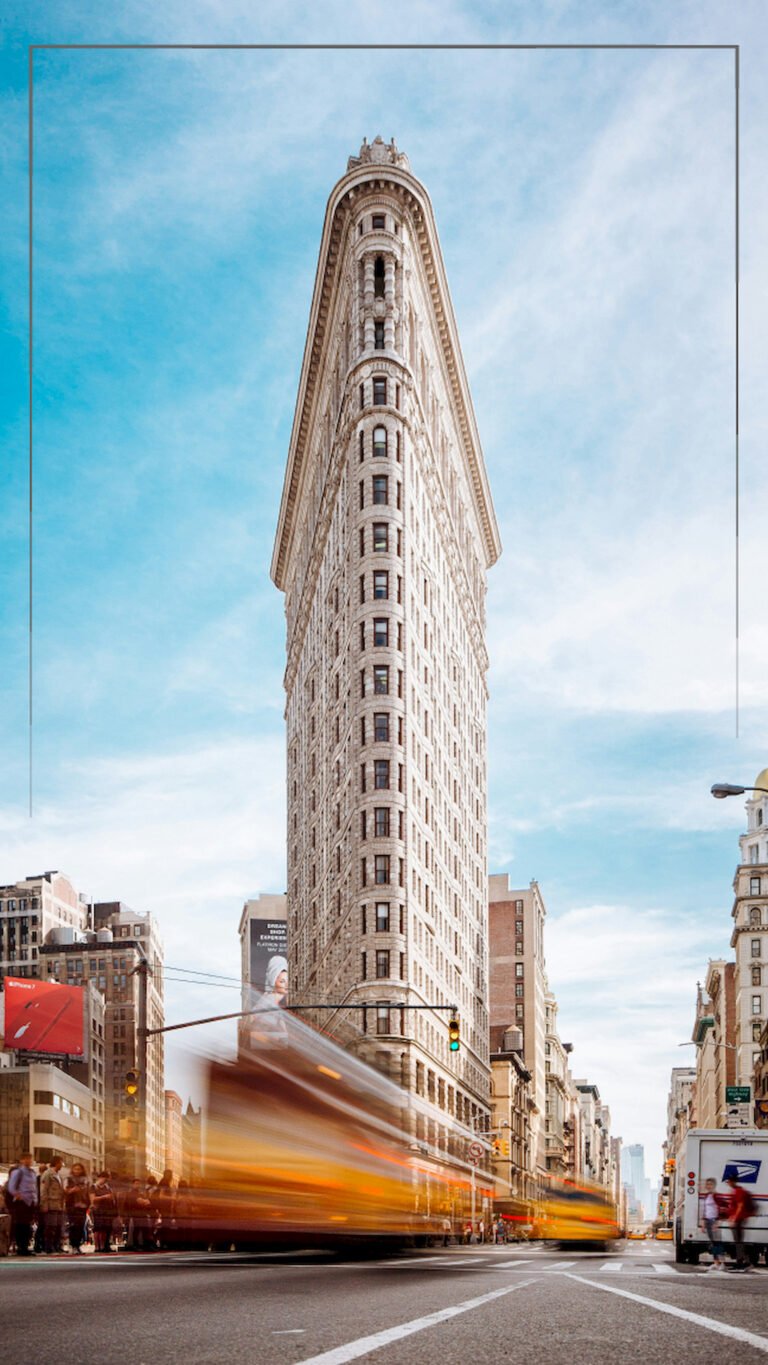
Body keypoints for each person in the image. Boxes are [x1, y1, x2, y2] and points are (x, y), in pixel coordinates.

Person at [7, 1154, 38, 1256]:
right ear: (22, 1160)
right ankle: (21, 1247)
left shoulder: (32, 1172)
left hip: (31, 1202)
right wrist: (17, 1195)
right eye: (26, 1159)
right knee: (21, 1225)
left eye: (30, 1159)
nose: (29, 1161)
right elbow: (11, 1186)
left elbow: (34, 1187)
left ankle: (25, 1246)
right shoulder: (18, 1172)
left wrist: (35, 1200)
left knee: (28, 1225)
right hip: (22, 1202)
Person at [725, 1175, 755, 1271]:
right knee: (738, 1241)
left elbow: (740, 1206)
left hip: (738, 1219)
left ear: (733, 1181)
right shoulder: (736, 1191)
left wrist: (734, 1218)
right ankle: (742, 1262)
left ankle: (743, 1263)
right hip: (737, 1219)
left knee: (738, 1242)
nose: (728, 1184)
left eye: (729, 1182)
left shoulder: (739, 1191)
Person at [40, 1157, 66, 1254]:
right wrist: (44, 1204)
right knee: (51, 1226)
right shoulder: (47, 1174)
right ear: (57, 1163)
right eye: (61, 1163)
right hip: (51, 1203)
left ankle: (57, 1246)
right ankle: (48, 1247)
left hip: (59, 1204)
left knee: (58, 1226)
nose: (62, 1165)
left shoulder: (59, 1175)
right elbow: (44, 1190)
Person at [65, 1163, 90, 1253]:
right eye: (75, 1169)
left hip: (83, 1205)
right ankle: (73, 1245)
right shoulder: (69, 1179)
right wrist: (73, 1190)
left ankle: (78, 1245)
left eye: (79, 1169)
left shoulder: (86, 1180)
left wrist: (88, 1203)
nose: (77, 1171)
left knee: (81, 1226)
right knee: (73, 1226)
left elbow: (88, 1192)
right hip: (72, 1206)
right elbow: (65, 1191)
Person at [122, 1179, 153, 1251]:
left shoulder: (141, 1194)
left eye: (139, 1184)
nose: (138, 1185)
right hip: (134, 1214)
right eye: (136, 1183)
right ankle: (135, 1245)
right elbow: (128, 1204)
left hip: (142, 1214)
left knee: (145, 1230)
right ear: (132, 1184)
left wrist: (143, 1202)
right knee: (136, 1230)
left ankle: (146, 1245)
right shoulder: (130, 1194)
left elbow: (148, 1203)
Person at [90, 1172, 118, 1253]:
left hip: (107, 1210)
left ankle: (103, 1246)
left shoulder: (107, 1187)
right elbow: (93, 1199)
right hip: (97, 1209)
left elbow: (112, 1197)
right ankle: (97, 1246)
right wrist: (104, 1197)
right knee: (97, 1229)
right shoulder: (94, 1187)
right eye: (104, 1178)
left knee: (104, 1229)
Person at [700, 1178, 724, 1269]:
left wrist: (717, 1222)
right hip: (708, 1221)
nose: (708, 1186)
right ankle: (716, 1262)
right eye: (707, 1184)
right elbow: (705, 1210)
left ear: (714, 1185)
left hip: (714, 1221)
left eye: (710, 1184)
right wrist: (703, 1223)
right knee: (713, 1243)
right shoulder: (707, 1196)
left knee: (718, 1243)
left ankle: (722, 1263)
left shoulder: (717, 1196)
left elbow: (722, 1208)